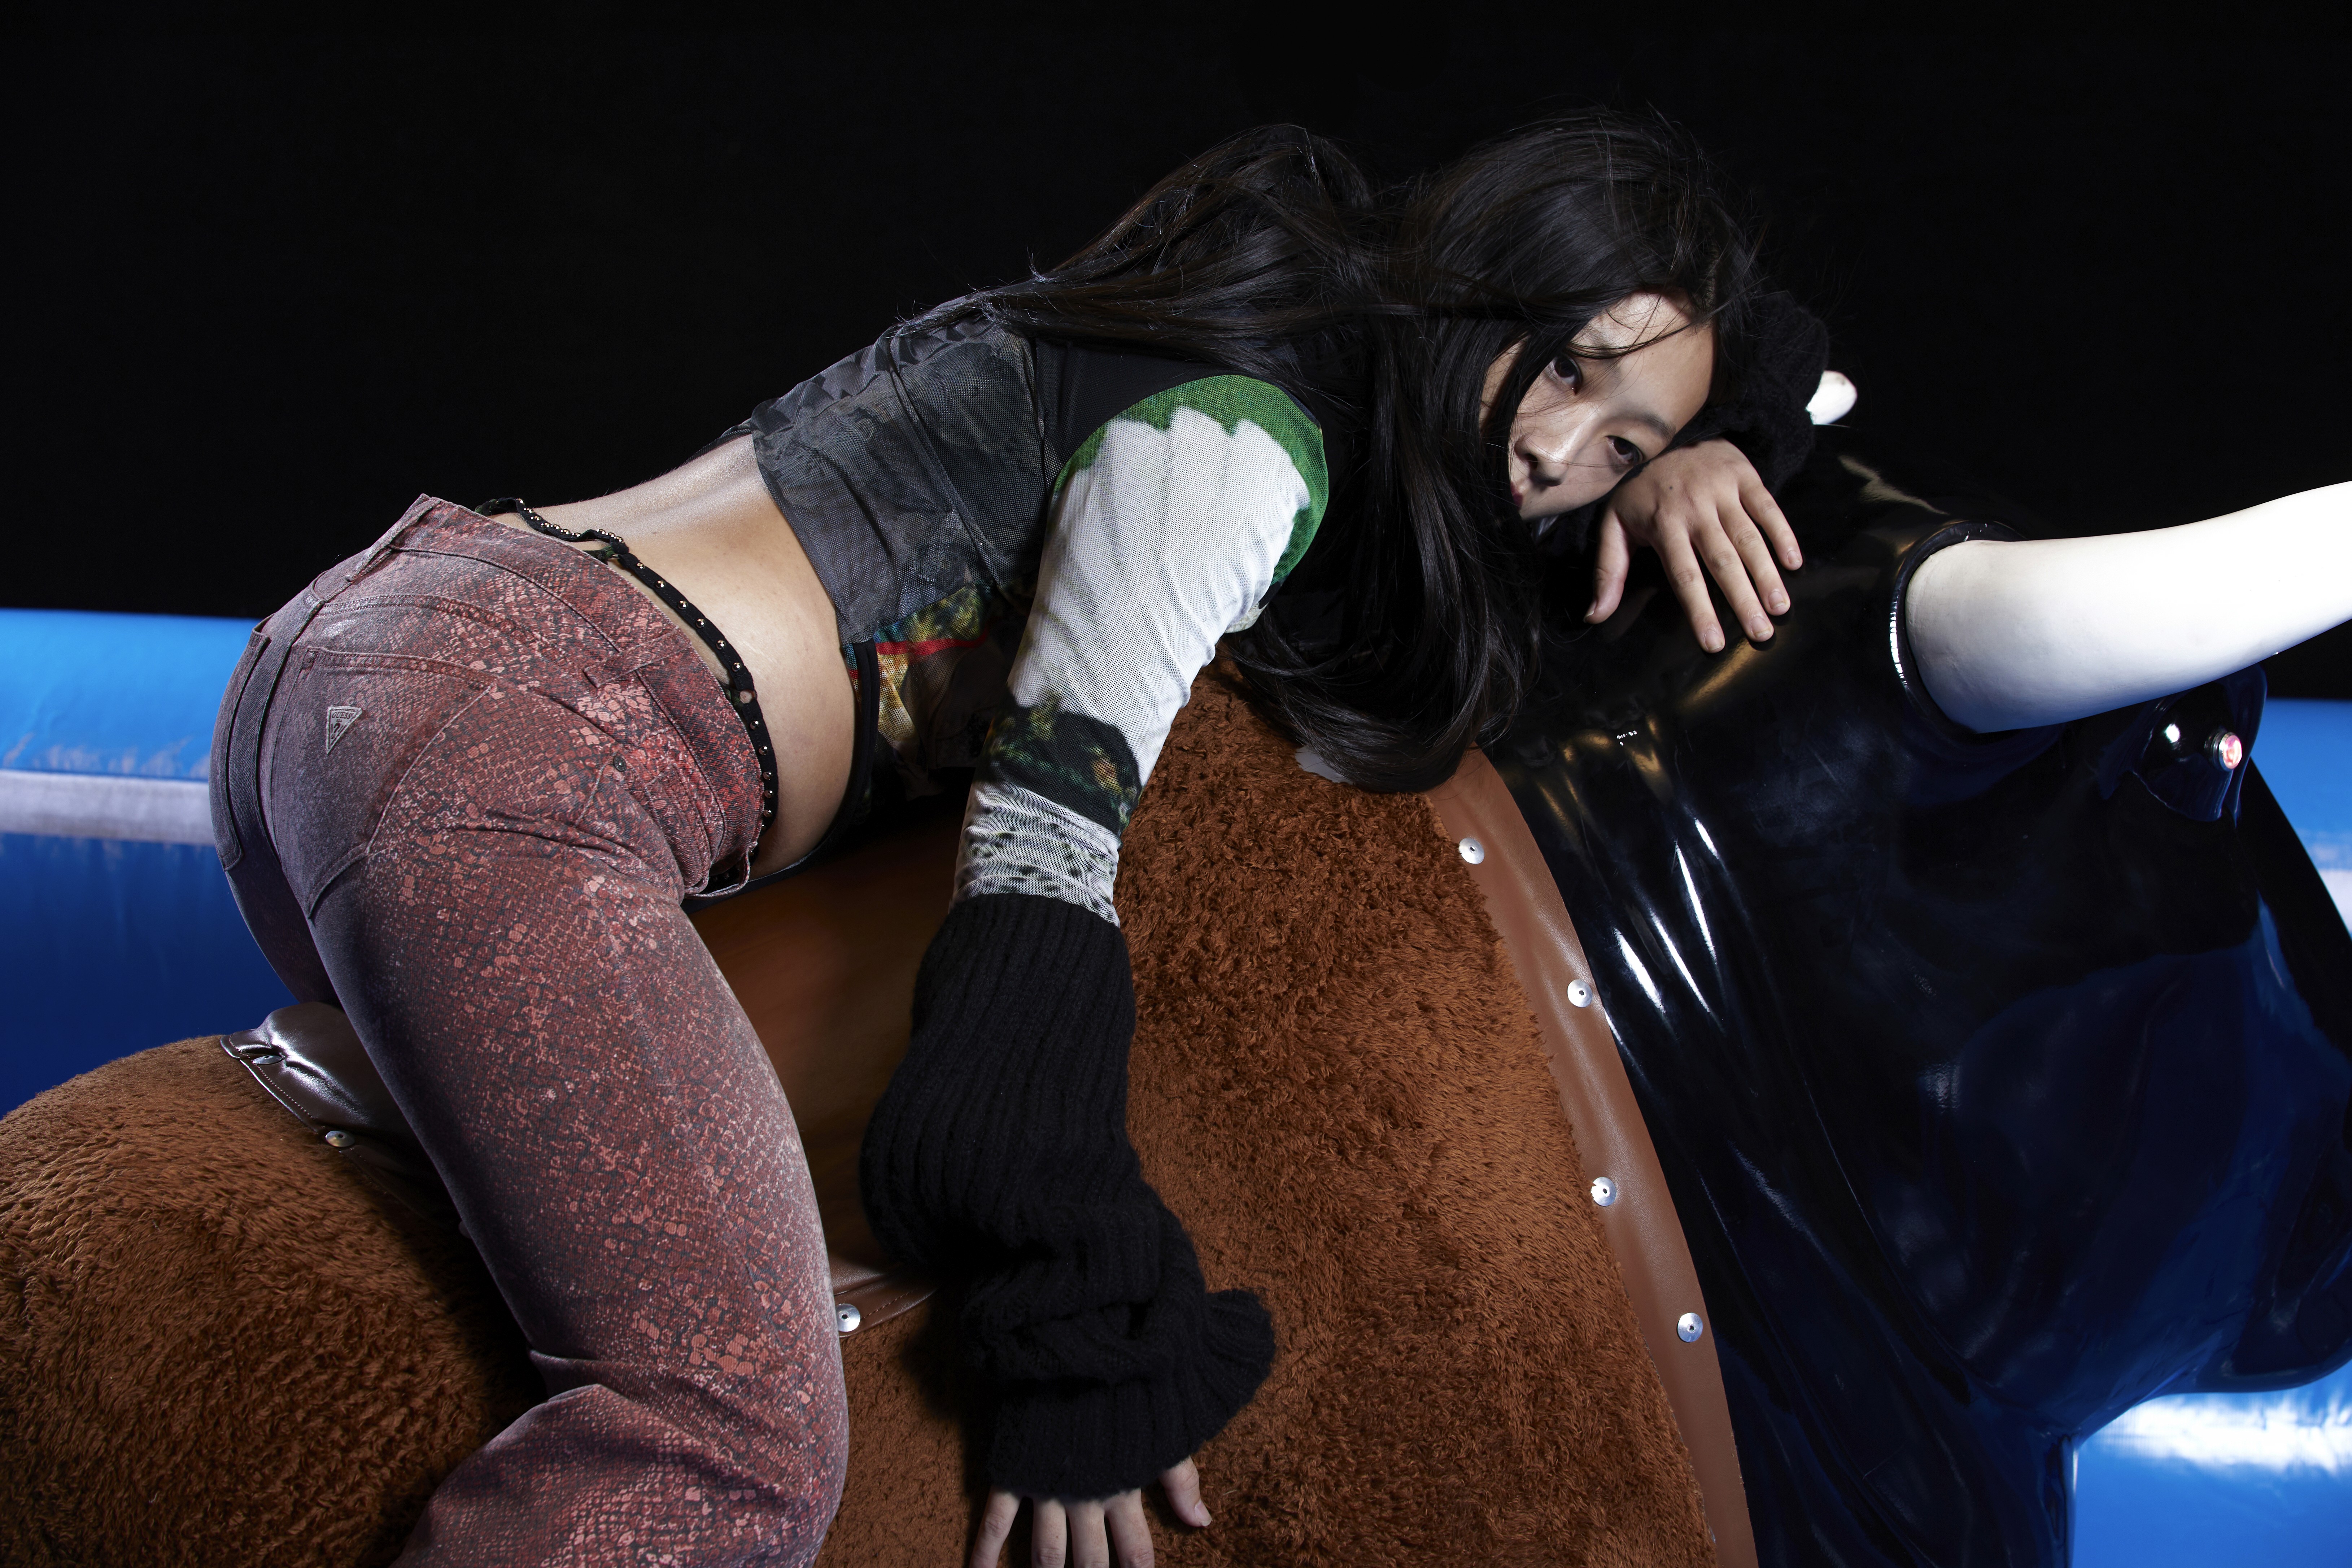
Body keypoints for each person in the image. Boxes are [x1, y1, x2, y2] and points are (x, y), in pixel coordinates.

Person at [207, 114, 1830, 1567]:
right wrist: (1080, 1317)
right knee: (730, 1439)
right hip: (522, 753)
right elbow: (1042, 861)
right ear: (1487, 283)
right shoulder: (1245, 448)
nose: (1560, 456)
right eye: (1568, 370)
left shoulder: (1237, 316)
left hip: (366, 657)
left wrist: (1719, 444)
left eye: (1623, 448)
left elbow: (1771, 354)